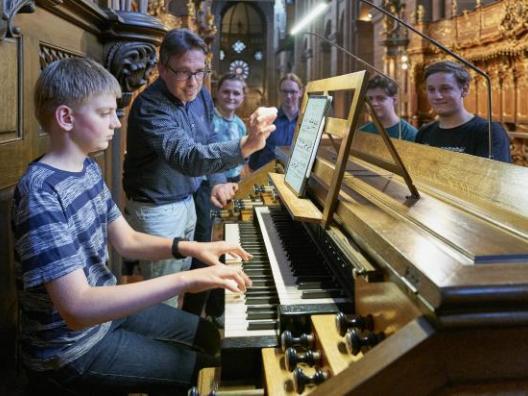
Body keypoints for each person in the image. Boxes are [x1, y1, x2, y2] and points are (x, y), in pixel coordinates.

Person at [12, 57, 253, 394]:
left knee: (209, 336)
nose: (116, 123)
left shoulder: (87, 168)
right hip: (71, 350)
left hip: (105, 316)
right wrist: (186, 278)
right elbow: (77, 308)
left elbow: (125, 240)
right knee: (208, 371)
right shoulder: (41, 192)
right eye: (104, 113)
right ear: (66, 117)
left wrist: (192, 248)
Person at [123, 29, 276, 307]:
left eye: (199, 71)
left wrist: (217, 181)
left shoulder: (202, 96)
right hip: (158, 210)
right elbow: (188, 157)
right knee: (164, 298)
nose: (193, 82)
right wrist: (245, 145)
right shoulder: (150, 107)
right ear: (162, 69)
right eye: (183, 72)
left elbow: (206, 140)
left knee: (182, 282)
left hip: (189, 201)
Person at [183, 73, 249, 322]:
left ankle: (216, 309)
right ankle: (191, 315)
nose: (231, 96)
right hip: (207, 188)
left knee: (227, 247)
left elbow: (243, 161)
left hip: (232, 188)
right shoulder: (209, 121)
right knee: (205, 248)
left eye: (236, 93)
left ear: (243, 97)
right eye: (227, 91)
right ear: (217, 93)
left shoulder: (240, 125)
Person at [415, 60, 511, 162]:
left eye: (445, 88)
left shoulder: (489, 132)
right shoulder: (424, 133)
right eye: (431, 89)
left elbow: (491, 176)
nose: (437, 96)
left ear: (464, 90)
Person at [249, 73, 303, 170]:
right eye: (285, 91)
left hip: (292, 175)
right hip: (265, 174)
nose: (289, 96)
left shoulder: (305, 122)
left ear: (300, 92)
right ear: (280, 93)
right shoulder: (269, 118)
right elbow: (254, 154)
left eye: (293, 92)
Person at [359, 75, 417, 141]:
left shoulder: (411, 134)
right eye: (370, 99)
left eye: (380, 98)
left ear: (394, 100)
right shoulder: (361, 132)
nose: (373, 103)